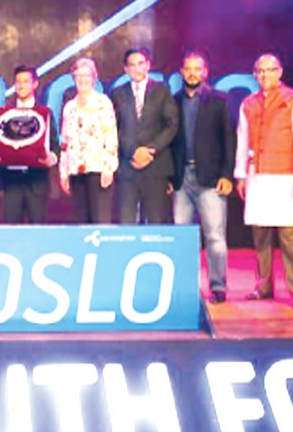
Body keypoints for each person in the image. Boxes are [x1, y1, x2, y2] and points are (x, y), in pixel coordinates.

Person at [235, 53, 293, 312]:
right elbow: (242, 141)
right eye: (259, 71)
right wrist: (240, 175)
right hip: (257, 178)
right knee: (260, 236)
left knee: (291, 237)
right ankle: (264, 285)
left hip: (287, 178)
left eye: (269, 70)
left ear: (279, 72)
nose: (264, 75)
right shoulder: (248, 103)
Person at [170, 52, 235, 304]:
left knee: (215, 236)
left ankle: (218, 287)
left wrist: (227, 175)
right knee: (182, 236)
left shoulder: (220, 100)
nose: (193, 73)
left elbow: (230, 140)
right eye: (188, 69)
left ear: (205, 72)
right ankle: (185, 288)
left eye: (197, 69)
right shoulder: (173, 101)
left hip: (211, 178)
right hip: (181, 178)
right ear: (181, 72)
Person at [110, 48, 179, 224]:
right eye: (132, 65)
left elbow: (171, 125)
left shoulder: (161, 90)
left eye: (141, 64)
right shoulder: (117, 93)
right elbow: (112, 129)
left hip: (155, 167)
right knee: (126, 223)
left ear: (148, 65)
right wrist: (133, 151)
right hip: (127, 167)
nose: (137, 69)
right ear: (125, 69)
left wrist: (150, 151)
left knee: (156, 222)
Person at [0, 65, 59, 224]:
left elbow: (55, 145)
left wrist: (52, 158)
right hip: (12, 182)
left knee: (39, 232)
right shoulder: (5, 115)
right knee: (11, 234)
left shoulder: (44, 113)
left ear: (35, 84)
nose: (21, 85)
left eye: (26, 81)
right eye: (18, 82)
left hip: (36, 182)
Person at [58, 57, 118, 224]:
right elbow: (65, 141)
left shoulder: (103, 102)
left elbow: (111, 136)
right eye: (78, 76)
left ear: (94, 77)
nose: (82, 79)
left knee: (99, 220)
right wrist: (63, 172)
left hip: (98, 169)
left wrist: (109, 168)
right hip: (76, 170)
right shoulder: (69, 107)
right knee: (81, 220)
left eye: (86, 75)